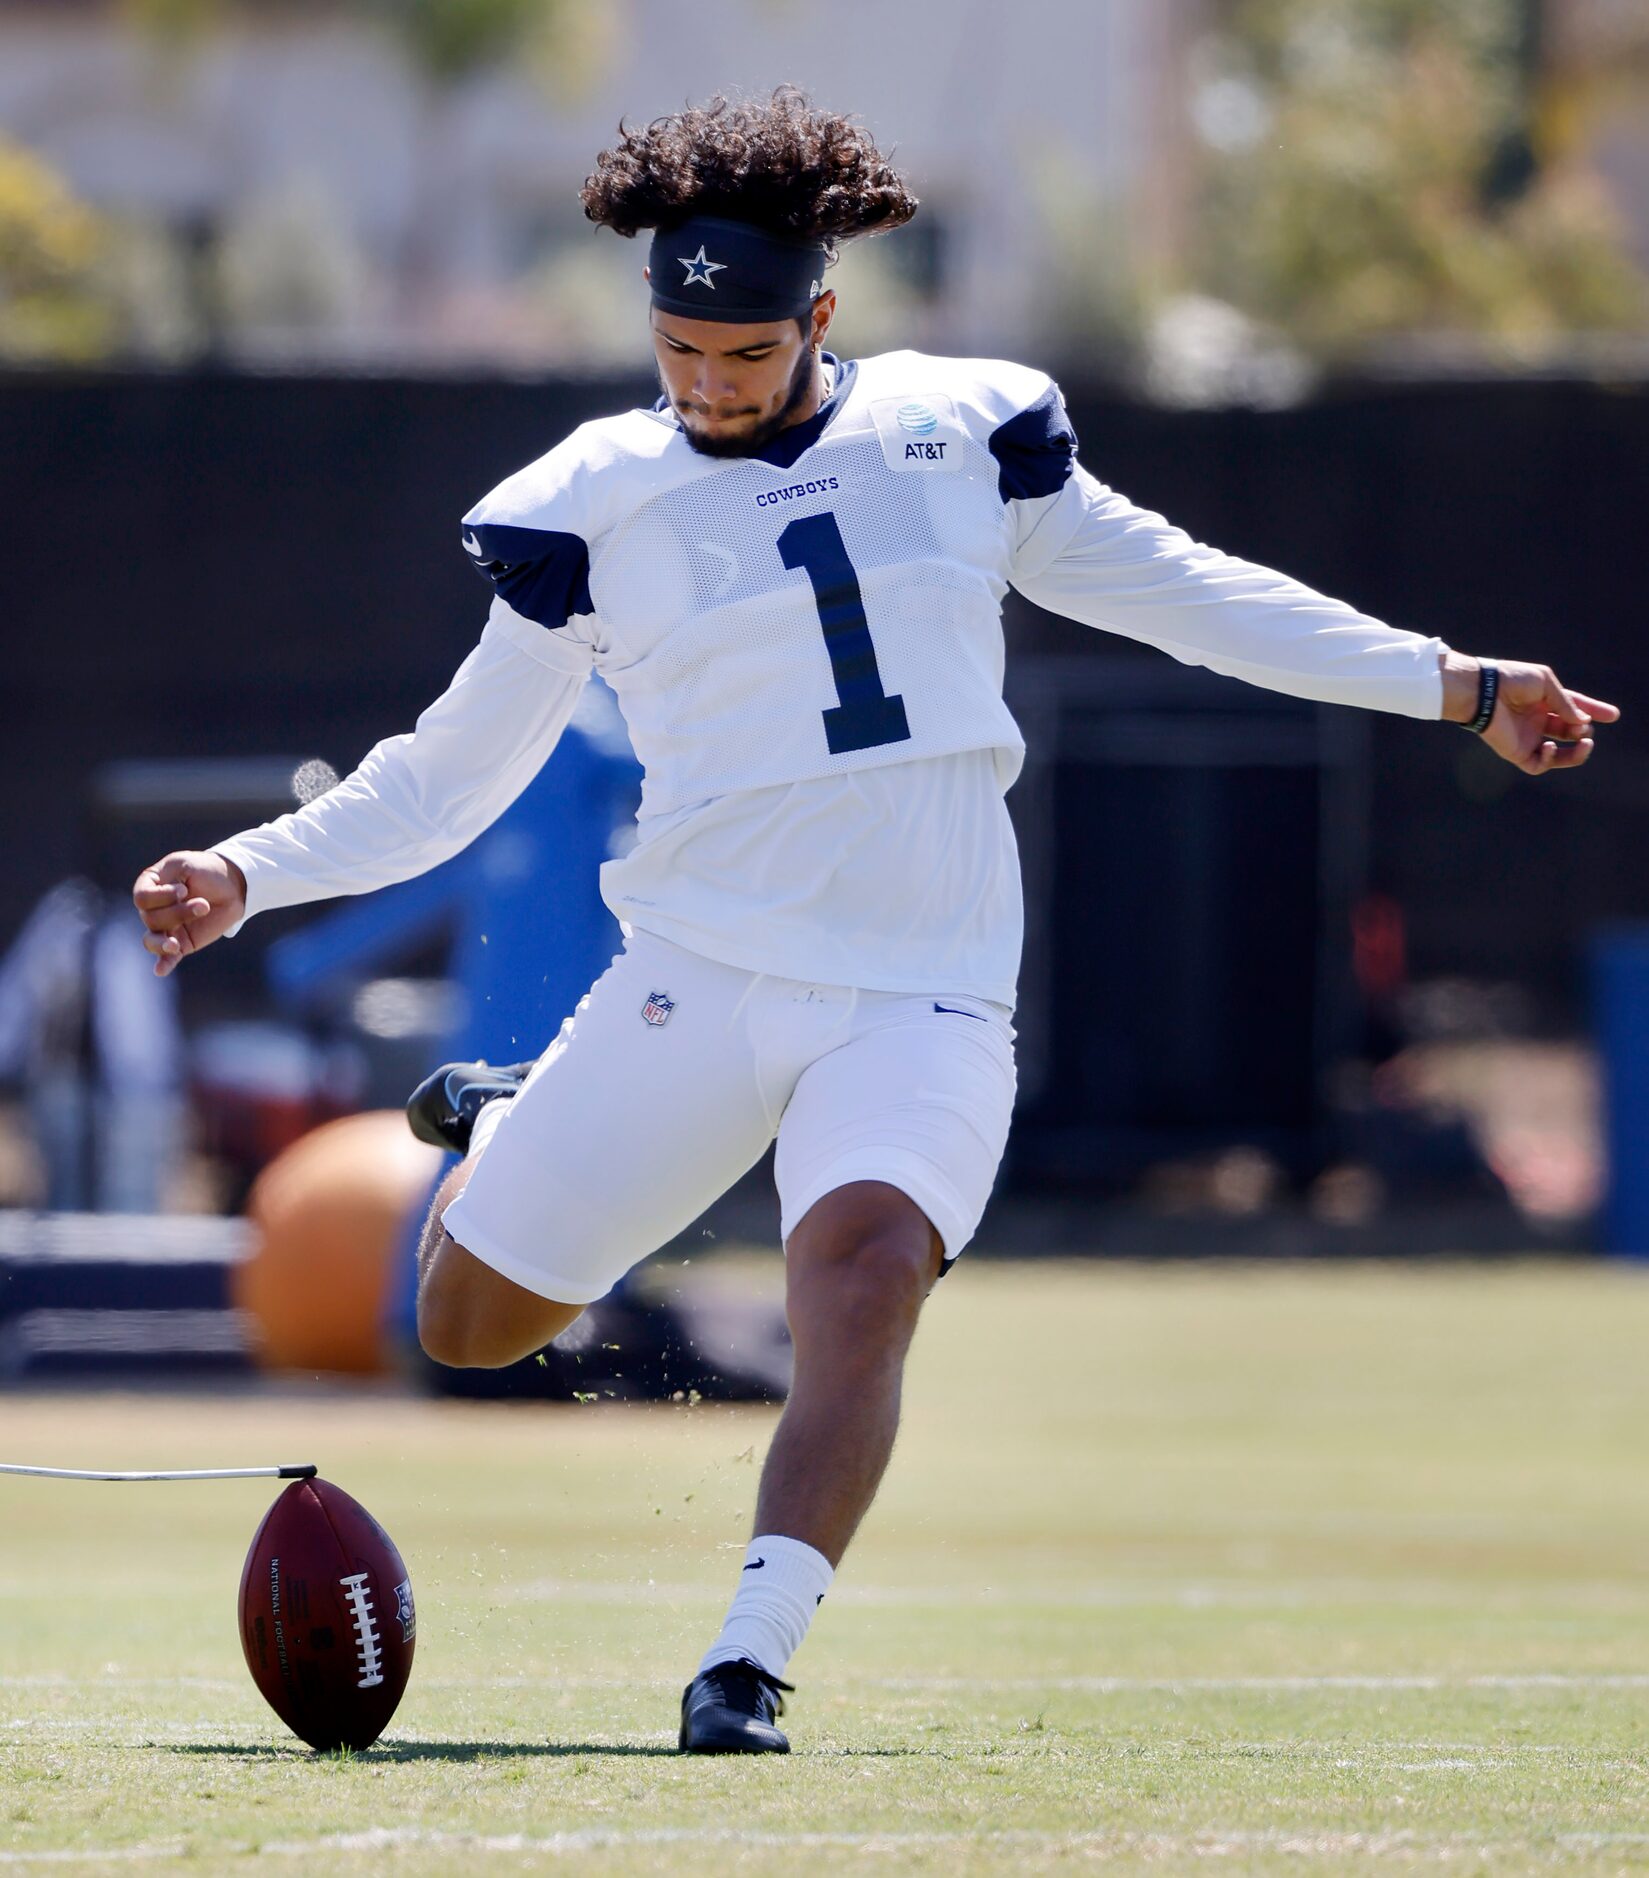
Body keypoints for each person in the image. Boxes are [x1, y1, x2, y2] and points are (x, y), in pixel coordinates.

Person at [132, 88, 1617, 1755]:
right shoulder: (593, 502)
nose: (706, 384)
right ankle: (512, 1115)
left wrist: (1457, 685)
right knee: (470, 1325)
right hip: (699, 968)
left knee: (858, 1269)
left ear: (822, 318)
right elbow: (450, 772)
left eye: (745, 353)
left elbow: (1197, 598)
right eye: (679, 349)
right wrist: (249, 870)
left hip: (921, 985)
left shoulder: (961, 436)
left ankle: (748, 1657)